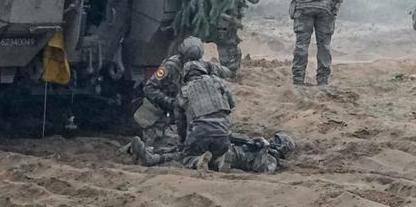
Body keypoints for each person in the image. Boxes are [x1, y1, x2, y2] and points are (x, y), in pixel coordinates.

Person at [125, 56, 293, 173]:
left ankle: (153, 157)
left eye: (277, 142)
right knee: (185, 151)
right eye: (276, 140)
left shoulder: (270, 160)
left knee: (186, 155)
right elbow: (230, 111)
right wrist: (250, 142)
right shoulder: (261, 146)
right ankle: (150, 153)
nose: (273, 142)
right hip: (223, 143)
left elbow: (261, 167)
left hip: (224, 153)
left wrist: (261, 150)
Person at [137, 35, 203, 145]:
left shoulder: (195, 68)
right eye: (188, 59)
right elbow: (149, 88)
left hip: (175, 113)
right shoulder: (170, 67)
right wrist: (170, 102)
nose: (191, 63)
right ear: (183, 56)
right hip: (157, 112)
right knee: (152, 145)